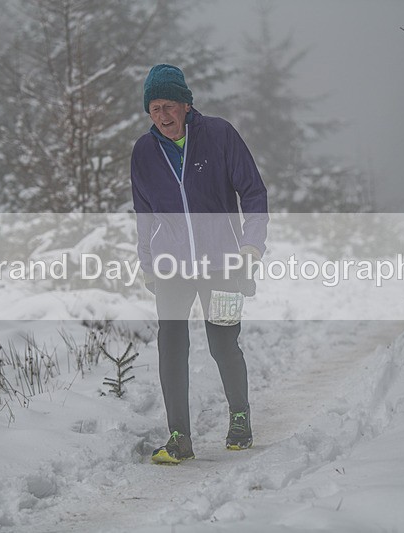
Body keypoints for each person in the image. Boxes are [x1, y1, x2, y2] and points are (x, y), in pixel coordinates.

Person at [130, 64, 269, 464]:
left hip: (224, 263)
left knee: (223, 343)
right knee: (171, 347)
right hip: (171, 267)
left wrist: (251, 248)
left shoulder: (220, 135)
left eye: (169, 105)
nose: (163, 115)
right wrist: (147, 263)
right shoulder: (144, 152)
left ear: (187, 105)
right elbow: (144, 214)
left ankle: (240, 417)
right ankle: (179, 438)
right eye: (155, 108)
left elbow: (254, 193)